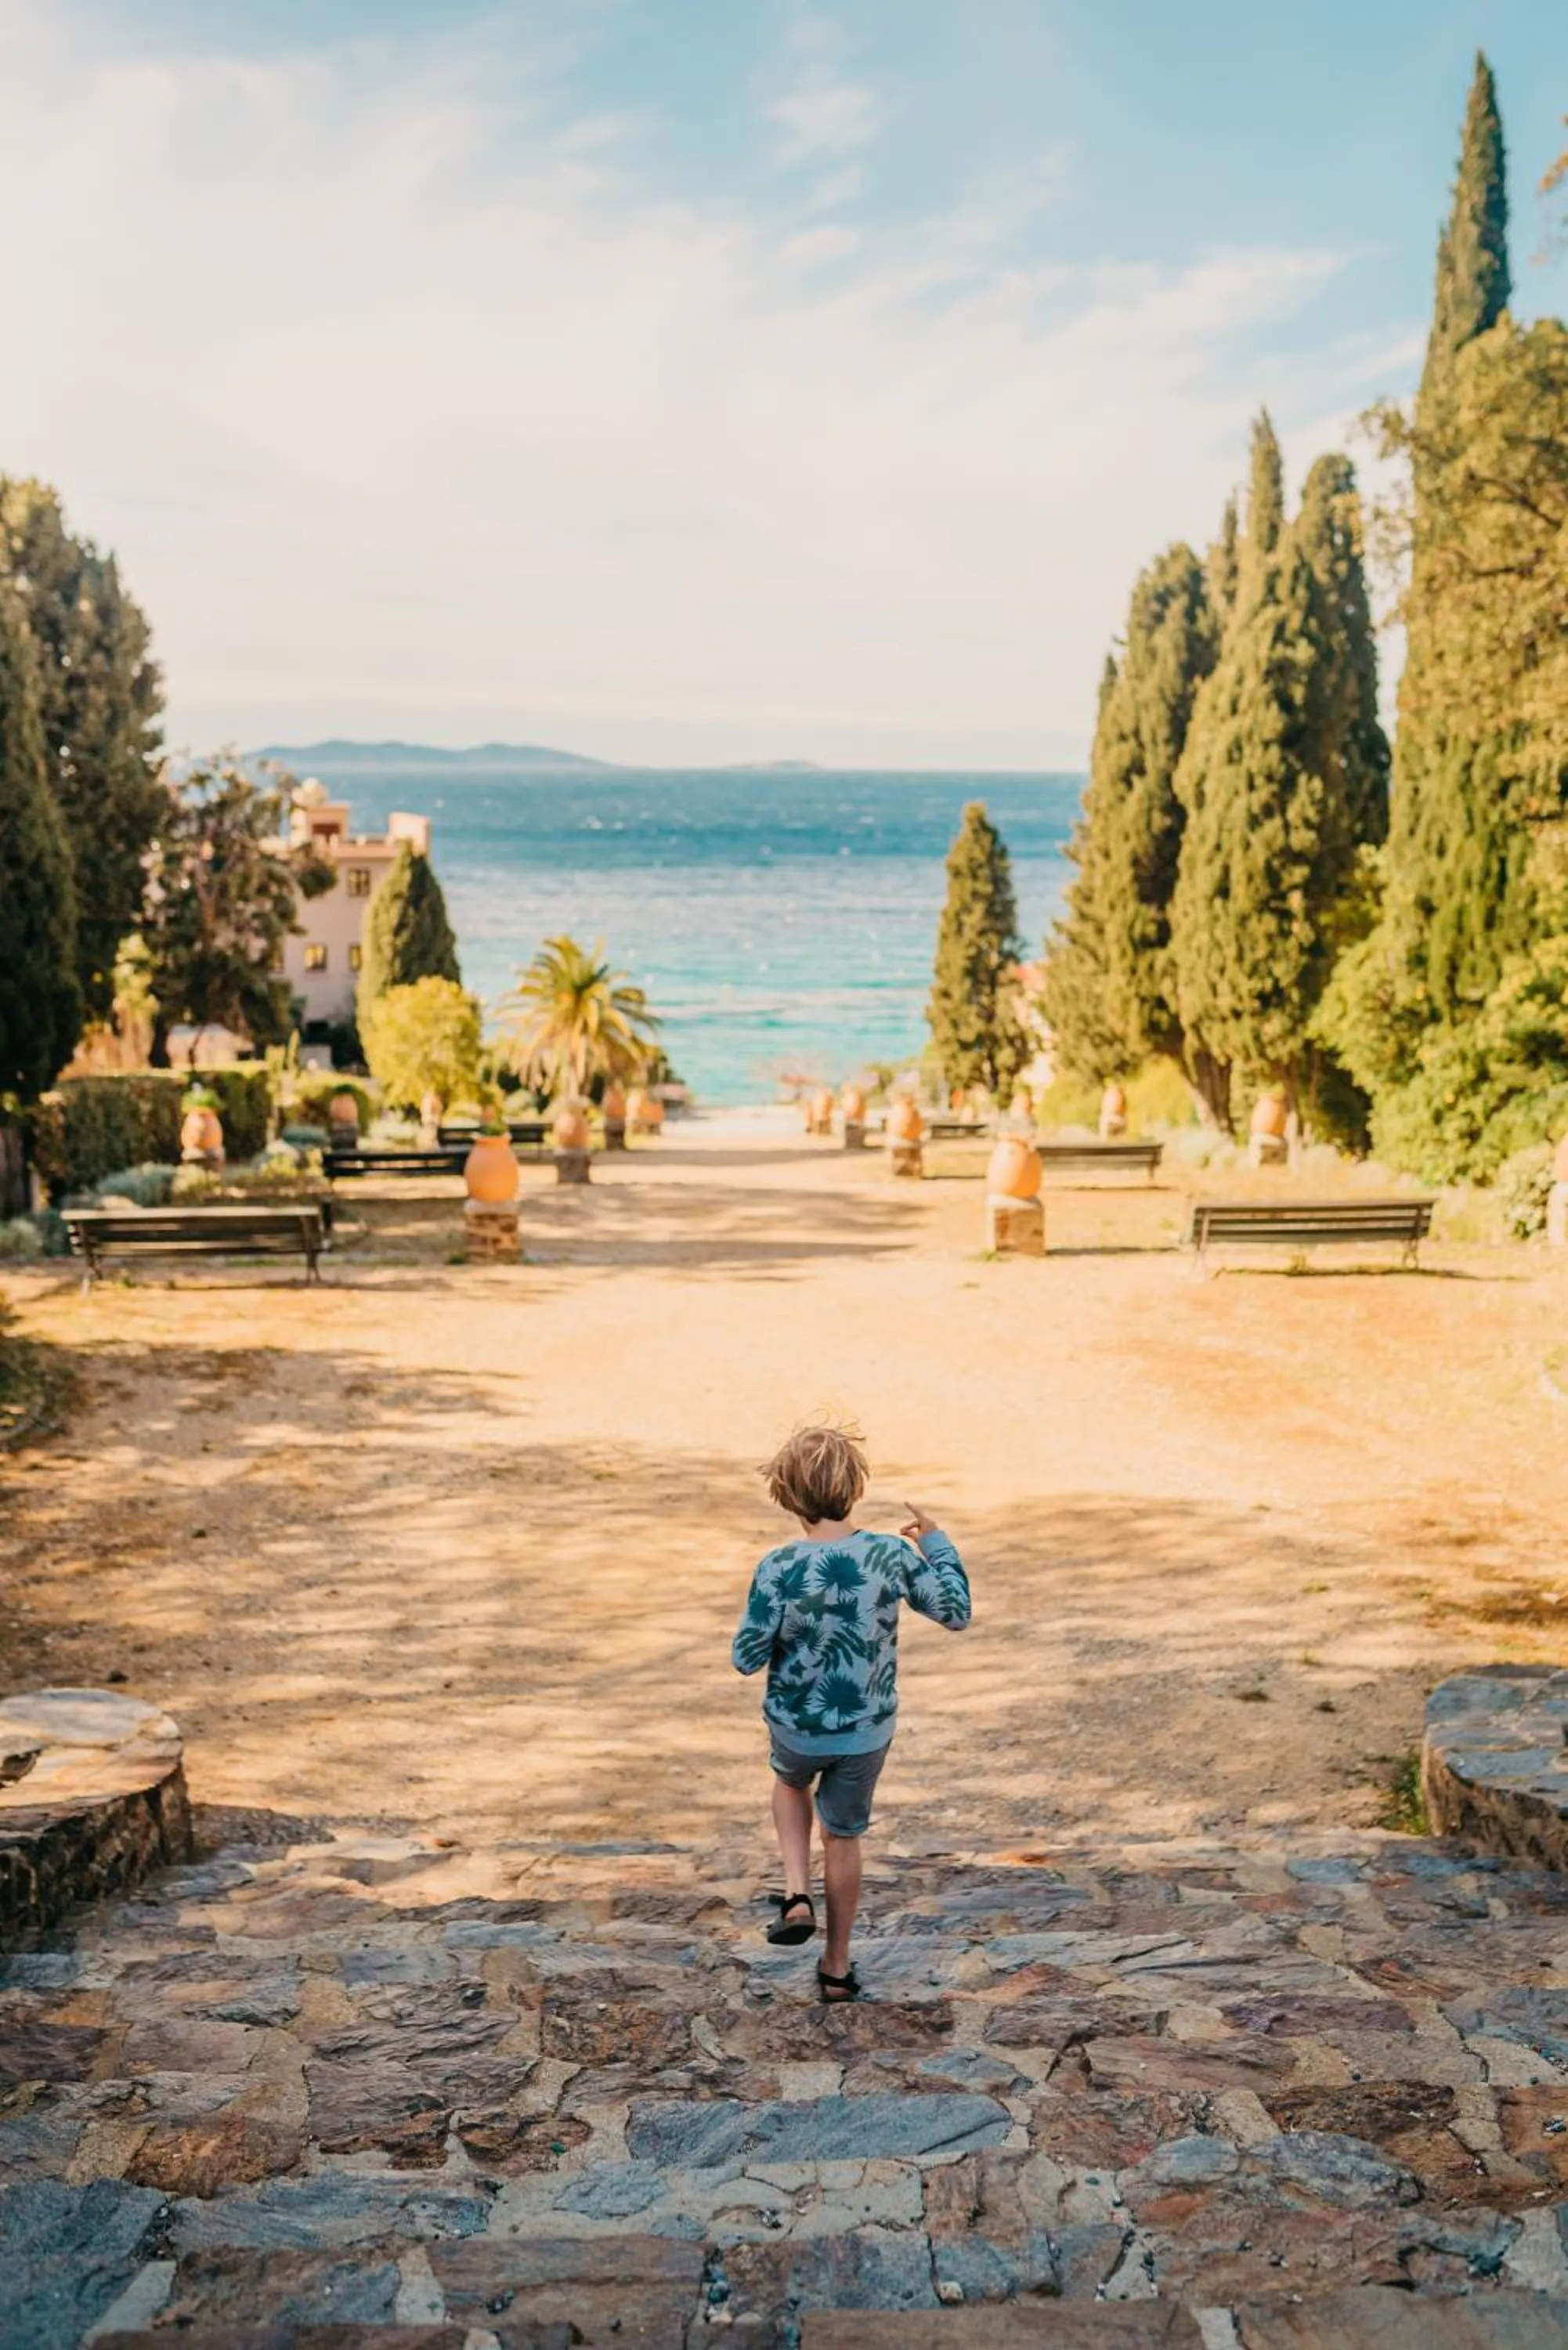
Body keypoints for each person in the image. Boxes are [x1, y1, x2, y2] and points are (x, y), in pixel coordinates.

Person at [732, 1423, 971, 2003]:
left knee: (789, 1783)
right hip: (865, 1732)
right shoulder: (890, 1554)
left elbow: (747, 1657)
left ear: (787, 1495)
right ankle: (836, 1968)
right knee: (843, 1835)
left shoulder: (779, 1567)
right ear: (854, 1488)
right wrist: (934, 1543)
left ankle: (795, 1892)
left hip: (798, 1728)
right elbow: (956, 1611)